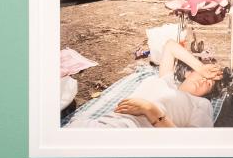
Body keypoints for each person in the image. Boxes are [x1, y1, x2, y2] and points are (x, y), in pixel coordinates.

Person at [67, 40, 221, 128]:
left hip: (131, 136)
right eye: (204, 76)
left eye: (209, 84)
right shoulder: (165, 81)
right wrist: (201, 67)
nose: (204, 80)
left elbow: (190, 146)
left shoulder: (200, 104)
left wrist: (151, 110)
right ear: (189, 72)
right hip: (101, 124)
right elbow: (170, 46)